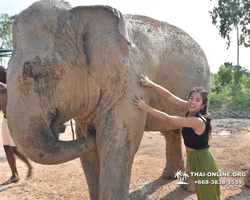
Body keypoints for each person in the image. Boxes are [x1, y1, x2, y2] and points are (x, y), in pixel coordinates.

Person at [133, 72, 220, 200]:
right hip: (196, 159)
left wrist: (146, 107)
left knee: (209, 197)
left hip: (204, 161)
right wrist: (151, 84)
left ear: (202, 105)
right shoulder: (189, 108)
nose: (192, 102)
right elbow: (169, 96)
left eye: (197, 100)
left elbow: (168, 119)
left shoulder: (197, 121)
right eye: (191, 98)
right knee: (202, 196)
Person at [0, 65, 32, 185]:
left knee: (14, 148)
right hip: (5, 119)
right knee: (6, 147)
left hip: (15, 120)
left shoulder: (10, 87)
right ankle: (14, 174)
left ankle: (29, 166)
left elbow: (3, 89)